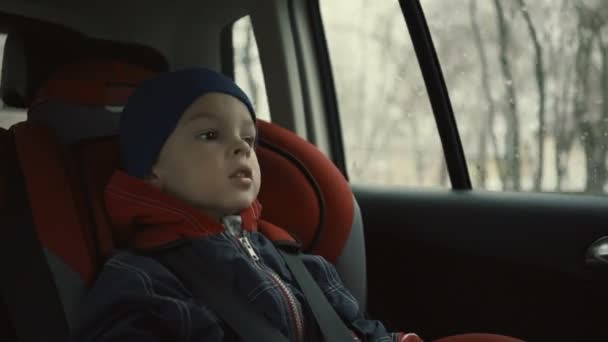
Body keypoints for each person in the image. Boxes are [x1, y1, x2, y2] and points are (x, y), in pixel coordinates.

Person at [72, 67, 422, 342]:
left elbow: (355, 329)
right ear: (150, 168)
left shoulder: (295, 259)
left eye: (249, 139)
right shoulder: (141, 276)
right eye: (210, 135)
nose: (241, 148)